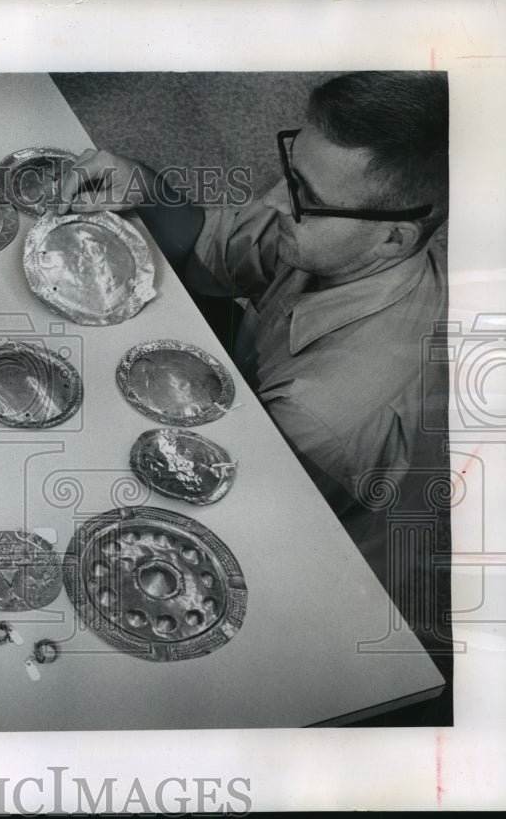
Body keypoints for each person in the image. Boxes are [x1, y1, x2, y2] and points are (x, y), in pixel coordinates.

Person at [57, 72, 451, 658]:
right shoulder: (343, 239)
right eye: (290, 171)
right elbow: (212, 247)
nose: (271, 200)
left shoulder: (328, 411)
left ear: (394, 239)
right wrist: (142, 184)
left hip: (333, 589)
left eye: (302, 197)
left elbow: (226, 517)